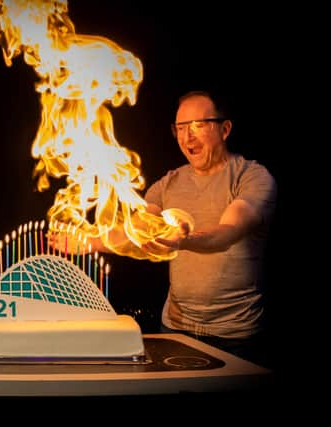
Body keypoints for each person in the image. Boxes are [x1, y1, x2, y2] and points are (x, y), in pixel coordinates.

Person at [53, 90, 277, 366]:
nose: (187, 137)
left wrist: (182, 240)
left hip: (237, 336)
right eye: (181, 128)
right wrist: (91, 242)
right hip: (175, 329)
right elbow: (134, 231)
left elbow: (227, 232)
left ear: (225, 129)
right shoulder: (167, 184)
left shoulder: (252, 177)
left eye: (198, 125)